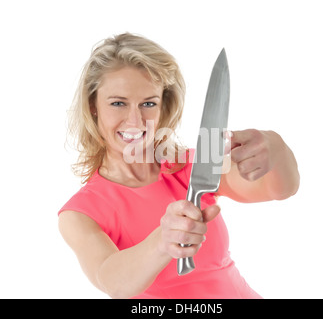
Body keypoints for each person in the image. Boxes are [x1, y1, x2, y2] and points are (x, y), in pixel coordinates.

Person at [58, 32, 300, 299]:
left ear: (164, 106)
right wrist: (162, 241)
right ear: (93, 105)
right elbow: (112, 281)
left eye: (148, 103)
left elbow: (279, 189)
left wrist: (276, 149)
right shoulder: (80, 213)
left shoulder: (194, 164)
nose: (135, 120)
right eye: (118, 103)